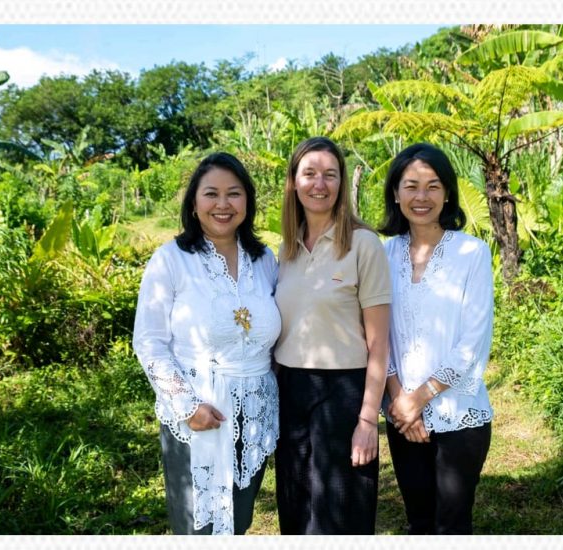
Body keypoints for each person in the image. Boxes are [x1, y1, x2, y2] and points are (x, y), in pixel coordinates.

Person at [132, 152, 280, 535]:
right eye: (211, 194)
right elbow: (148, 342)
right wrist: (186, 405)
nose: (222, 204)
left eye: (234, 193)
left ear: (247, 201)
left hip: (255, 412)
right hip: (200, 410)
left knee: (240, 520)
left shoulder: (264, 260)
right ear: (194, 204)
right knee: (197, 526)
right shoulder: (171, 260)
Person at [273, 136, 391, 534]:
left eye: (330, 174)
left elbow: (379, 343)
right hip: (290, 391)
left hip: (344, 392)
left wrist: (367, 420)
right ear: (294, 182)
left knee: (340, 513)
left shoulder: (363, 244)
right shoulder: (285, 249)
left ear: (342, 182)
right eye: (309, 173)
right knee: (295, 511)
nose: (319, 184)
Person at [380, 143, 494, 535]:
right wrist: (400, 400)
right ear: (396, 194)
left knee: (451, 525)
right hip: (401, 413)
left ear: (447, 193)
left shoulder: (472, 252)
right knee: (419, 522)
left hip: (458, 412)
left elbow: (473, 341)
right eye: (411, 186)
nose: (422, 197)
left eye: (433, 186)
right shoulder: (382, 254)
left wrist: (420, 398)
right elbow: (377, 334)